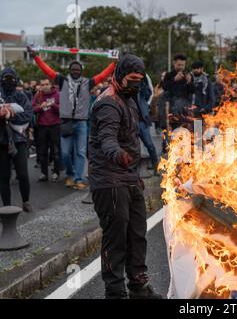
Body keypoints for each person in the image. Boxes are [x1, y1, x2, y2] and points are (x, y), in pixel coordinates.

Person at [89, 54, 161, 299]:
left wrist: (134, 171)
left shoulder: (129, 98)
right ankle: (115, 291)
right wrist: (118, 154)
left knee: (138, 233)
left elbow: (133, 136)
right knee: (116, 238)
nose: (136, 84)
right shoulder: (108, 103)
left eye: (140, 80)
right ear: (119, 75)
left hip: (129, 177)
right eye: (132, 79)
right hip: (108, 180)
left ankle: (139, 286)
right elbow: (107, 138)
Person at [28, 46, 116, 190]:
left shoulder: (88, 83)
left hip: (81, 123)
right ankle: (70, 174)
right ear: (70, 71)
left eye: (78, 69)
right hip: (66, 123)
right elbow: (47, 70)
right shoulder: (62, 81)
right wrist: (36, 57)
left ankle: (78, 179)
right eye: (73, 69)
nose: (75, 71)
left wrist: (113, 64)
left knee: (81, 152)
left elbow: (102, 75)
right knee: (65, 153)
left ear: (81, 71)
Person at [0, 67, 33, 212]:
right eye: (5, 79)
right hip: (1, 141)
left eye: (11, 79)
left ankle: (26, 201)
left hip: (18, 141)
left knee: (23, 175)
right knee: (3, 176)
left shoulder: (21, 96)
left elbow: (28, 115)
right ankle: (6, 206)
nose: (8, 82)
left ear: (16, 80)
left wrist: (10, 115)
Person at [32, 78, 61, 182]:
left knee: (56, 150)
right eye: (42, 84)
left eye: (46, 84)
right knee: (42, 151)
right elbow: (33, 109)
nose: (44, 86)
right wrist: (40, 107)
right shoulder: (38, 96)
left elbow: (62, 110)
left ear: (51, 85)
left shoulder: (57, 94)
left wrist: (53, 105)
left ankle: (56, 172)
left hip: (55, 126)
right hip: (42, 126)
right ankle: (44, 173)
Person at [162, 54, 195, 131]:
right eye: (179, 65)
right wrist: (174, 79)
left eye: (183, 65)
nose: (181, 67)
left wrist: (189, 82)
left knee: (187, 130)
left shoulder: (188, 75)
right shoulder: (169, 75)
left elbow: (193, 91)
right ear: (174, 64)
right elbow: (164, 88)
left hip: (185, 108)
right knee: (174, 131)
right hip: (172, 108)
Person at [135, 74, 159, 175]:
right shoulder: (125, 86)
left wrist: (142, 82)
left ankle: (156, 167)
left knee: (150, 145)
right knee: (133, 148)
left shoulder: (142, 84)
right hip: (130, 121)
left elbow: (149, 94)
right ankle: (135, 171)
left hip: (142, 121)